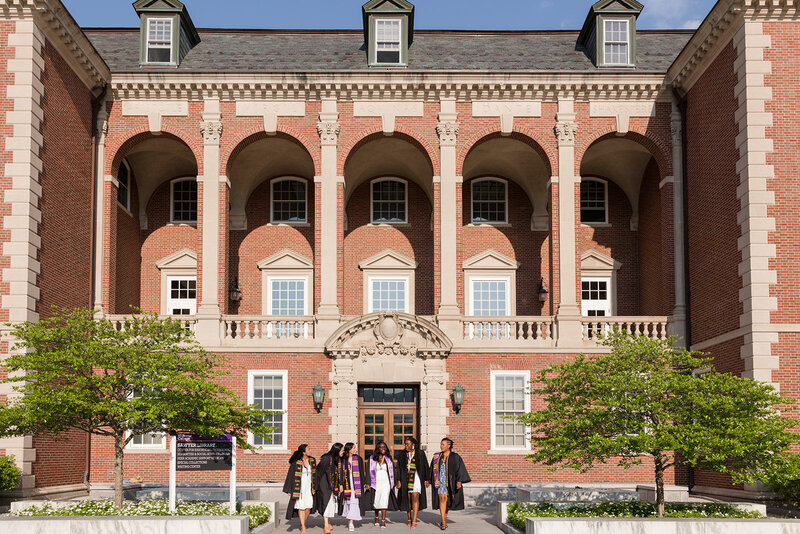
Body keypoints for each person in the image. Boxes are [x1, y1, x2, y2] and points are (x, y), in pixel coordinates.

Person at [430, 438, 471, 530]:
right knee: (442, 498)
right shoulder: (437, 457)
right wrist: (429, 480)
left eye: (443, 444)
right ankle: (443, 522)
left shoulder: (455, 457)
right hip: (439, 481)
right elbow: (431, 469)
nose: (441, 446)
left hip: (450, 482)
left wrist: (459, 481)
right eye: (440, 444)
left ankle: (443, 518)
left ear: (449, 446)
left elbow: (460, 469)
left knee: (446, 499)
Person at [396, 437, 430, 529]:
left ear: (413, 444)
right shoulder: (402, 454)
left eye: (408, 444)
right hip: (405, 478)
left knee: (415, 497)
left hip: (417, 478)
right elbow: (398, 467)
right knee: (408, 499)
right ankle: (409, 518)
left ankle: (414, 520)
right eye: (405, 444)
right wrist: (398, 480)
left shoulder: (420, 453)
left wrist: (427, 479)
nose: (406, 446)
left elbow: (425, 466)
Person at [282, 444, 317, 534]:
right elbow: (290, 475)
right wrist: (289, 489)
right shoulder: (296, 462)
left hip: (309, 488)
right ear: (303, 452)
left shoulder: (312, 460)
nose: (310, 451)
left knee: (308, 507)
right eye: (308, 449)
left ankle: (303, 523)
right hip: (299, 488)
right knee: (301, 507)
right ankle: (303, 527)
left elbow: (315, 474)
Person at [338, 442, 369, 532]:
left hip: (357, 483)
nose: (355, 449)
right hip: (347, 483)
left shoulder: (358, 458)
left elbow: (362, 472)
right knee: (348, 501)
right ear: (349, 449)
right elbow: (340, 473)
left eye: (355, 447)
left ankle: (351, 522)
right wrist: (340, 484)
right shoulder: (343, 459)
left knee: (354, 501)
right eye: (353, 448)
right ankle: (350, 520)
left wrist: (364, 483)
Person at [368, 440, 398, 529]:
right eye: (381, 447)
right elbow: (368, 472)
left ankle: (383, 521)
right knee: (376, 501)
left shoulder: (388, 459)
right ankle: (376, 517)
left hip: (386, 483)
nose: (383, 448)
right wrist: (368, 483)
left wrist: (395, 482)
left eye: (384, 447)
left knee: (384, 501)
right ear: (378, 448)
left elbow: (393, 471)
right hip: (376, 483)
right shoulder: (372, 459)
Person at [315, 442, 343, 534]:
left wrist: (339, 484)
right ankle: (326, 525)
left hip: (332, 486)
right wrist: (317, 486)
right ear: (337, 450)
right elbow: (318, 472)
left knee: (331, 504)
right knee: (326, 504)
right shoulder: (326, 459)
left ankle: (328, 522)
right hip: (325, 485)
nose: (343, 452)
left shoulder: (336, 460)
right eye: (342, 450)